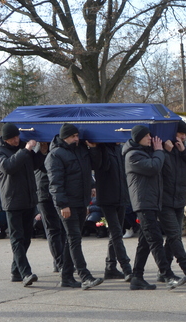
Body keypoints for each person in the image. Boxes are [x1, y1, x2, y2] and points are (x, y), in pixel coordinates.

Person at [47, 124, 103, 290]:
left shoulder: (80, 150)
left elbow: (92, 168)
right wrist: (63, 204)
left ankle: (66, 277)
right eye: (73, 136)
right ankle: (84, 276)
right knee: (74, 238)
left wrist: (93, 149)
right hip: (67, 204)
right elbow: (55, 183)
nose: (77, 139)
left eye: (77, 136)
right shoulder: (55, 155)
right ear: (65, 137)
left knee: (71, 240)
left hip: (81, 202)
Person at [123, 125, 178, 291]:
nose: (150, 138)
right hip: (143, 203)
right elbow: (154, 167)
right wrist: (160, 150)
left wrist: (161, 152)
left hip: (152, 202)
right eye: (147, 136)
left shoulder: (145, 152)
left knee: (145, 242)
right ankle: (167, 274)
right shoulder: (133, 155)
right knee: (155, 240)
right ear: (138, 138)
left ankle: (137, 277)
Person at [0, 123, 40, 287]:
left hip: (28, 200)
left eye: (17, 136)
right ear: (5, 139)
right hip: (12, 201)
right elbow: (9, 167)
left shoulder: (23, 148)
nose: (16, 139)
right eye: (12, 138)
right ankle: (26, 272)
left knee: (26, 238)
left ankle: (16, 271)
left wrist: (44, 150)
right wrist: (26, 150)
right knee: (17, 239)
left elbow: (37, 164)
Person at [158, 121, 186, 286]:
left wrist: (184, 151)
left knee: (172, 237)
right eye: (180, 134)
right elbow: (158, 167)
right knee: (175, 236)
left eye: (185, 135)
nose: (183, 137)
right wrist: (166, 152)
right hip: (164, 200)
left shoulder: (184, 150)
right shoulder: (162, 148)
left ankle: (163, 271)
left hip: (179, 200)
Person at [90, 141, 132, 280]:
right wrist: (95, 148)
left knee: (116, 233)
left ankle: (111, 267)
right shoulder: (102, 148)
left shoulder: (119, 148)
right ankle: (127, 268)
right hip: (108, 198)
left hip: (120, 197)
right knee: (116, 233)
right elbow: (97, 165)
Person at [34, 142, 66, 274]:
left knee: (63, 228)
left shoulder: (58, 144)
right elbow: (37, 165)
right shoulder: (38, 148)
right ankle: (60, 262)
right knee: (53, 229)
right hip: (45, 192)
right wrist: (42, 151)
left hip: (58, 190)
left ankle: (60, 260)